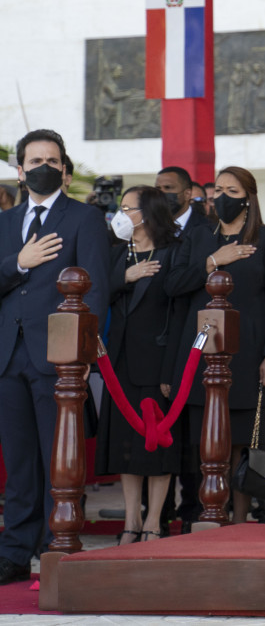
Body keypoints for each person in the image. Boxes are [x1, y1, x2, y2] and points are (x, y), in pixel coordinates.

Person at [0, 129, 110, 583]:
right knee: (19, 461)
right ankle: (14, 551)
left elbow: (97, 290)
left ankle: (56, 545)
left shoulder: (84, 218)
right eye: (35, 160)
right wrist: (19, 262)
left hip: (59, 358)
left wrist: (82, 355)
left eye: (52, 160)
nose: (43, 167)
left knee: (58, 460)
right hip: (8, 356)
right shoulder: (5, 222)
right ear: (20, 170)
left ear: (64, 170)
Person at [163, 166, 265, 525]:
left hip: (249, 354)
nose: (222, 197)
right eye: (218, 190)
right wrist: (213, 262)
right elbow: (173, 285)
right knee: (206, 440)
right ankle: (210, 513)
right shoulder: (198, 237)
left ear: (248, 198)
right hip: (201, 354)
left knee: (241, 441)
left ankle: (239, 520)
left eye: (232, 191)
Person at [96, 186, 182, 543]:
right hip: (118, 364)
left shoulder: (172, 252)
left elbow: (178, 314)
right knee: (125, 448)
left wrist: (170, 372)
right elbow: (96, 292)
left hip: (156, 363)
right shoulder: (117, 252)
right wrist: (124, 278)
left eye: (128, 208)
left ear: (146, 214)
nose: (121, 214)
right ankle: (131, 521)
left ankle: (154, 522)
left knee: (157, 446)